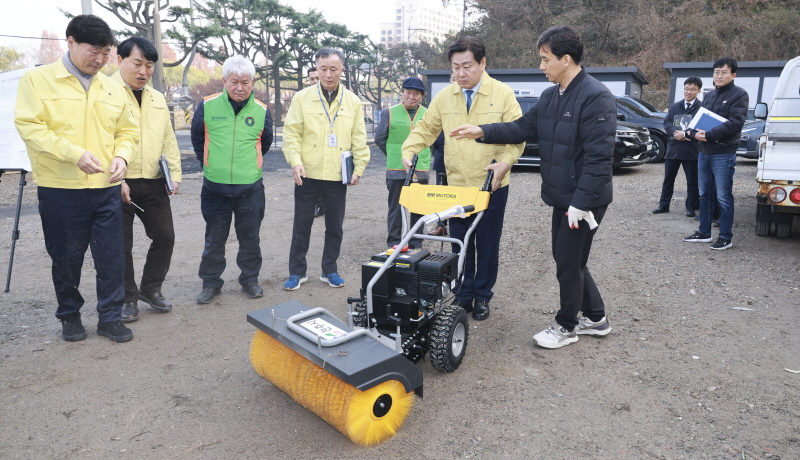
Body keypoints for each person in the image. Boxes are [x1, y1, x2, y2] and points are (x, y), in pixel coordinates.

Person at [451, 26, 615, 347]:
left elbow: (600, 158)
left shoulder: (596, 96)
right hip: (562, 196)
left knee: (568, 263)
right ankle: (596, 317)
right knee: (568, 259)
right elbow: (522, 128)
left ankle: (566, 326)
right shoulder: (551, 96)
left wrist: (581, 203)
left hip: (584, 200)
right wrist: (482, 130)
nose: (541, 66)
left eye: (545, 59)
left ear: (565, 59)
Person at [14, 15, 139, 342]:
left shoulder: (112, 87)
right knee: (66, 259)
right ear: (71, 42)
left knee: (111, 258)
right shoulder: (38, 80)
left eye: (106, 54)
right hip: (61, 190)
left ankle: (110, 318)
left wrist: (123, 156)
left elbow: (128, 131)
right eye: (93, 52)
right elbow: (31, 128)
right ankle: (69, 315)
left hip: (106, 189)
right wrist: (73, 154)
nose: (100, 60)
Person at [401, 36, 524, 321]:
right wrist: (409, 151)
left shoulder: (503, 94)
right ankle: (463, 292)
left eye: (467, 66)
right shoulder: (445, 96)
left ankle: (482, 295)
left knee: (488, 243)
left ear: (482, 63)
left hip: (491, 185)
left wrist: (505, 163)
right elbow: (426, 130)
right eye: (455, 68)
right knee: (460, 242)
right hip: (456, 187)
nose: (460, 74)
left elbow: (517, 135)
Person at [282, 47, 370, 290]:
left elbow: (359, 138)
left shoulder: (352, 101)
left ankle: (329, 269)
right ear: (316, 70)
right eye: (323, 69)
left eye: (333, 69)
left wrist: (359, 168)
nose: (328, 74)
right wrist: (295, 162)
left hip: (337, 174)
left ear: (342, 70)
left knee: (335, 226)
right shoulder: (302, 98)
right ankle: (297, 272)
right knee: (301, 224)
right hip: (307, 173)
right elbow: (291, 134)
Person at [191, 55, 273, 304]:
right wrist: (209, 163)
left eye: (245, 83)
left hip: (251, 189)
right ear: (224, 81)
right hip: (215, 189)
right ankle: (210, 282)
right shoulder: (207, 106)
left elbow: (265, 143)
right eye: (234, 82)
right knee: (214, 239)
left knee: (250, 238)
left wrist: (247, 166)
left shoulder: (261, 110)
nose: (239, 88)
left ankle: (250, 280)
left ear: (252, 83)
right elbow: (197, 139)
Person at [111, 37, 181, 322]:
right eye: (137, 63)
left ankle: (151, 289)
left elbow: (168, 139)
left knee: (165, 236)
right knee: (121, 245)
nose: (143, 71)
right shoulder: (105, 92)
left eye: (149, 66)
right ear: (120, 60)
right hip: (119, 181)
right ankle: (127, 298)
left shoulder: (157, 98)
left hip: (153, 180)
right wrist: (115, 179)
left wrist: (174, 174)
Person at [683, 57, 748, 250]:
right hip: (704, 152)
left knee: (723, 197)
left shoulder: (739, 95)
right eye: (716, 72)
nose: (719, 76)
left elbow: (735, 123)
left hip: (723, 152)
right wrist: (692, 133)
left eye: (723, 72)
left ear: (733, 75)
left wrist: (709, 135)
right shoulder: (710, 95)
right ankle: (704, 232)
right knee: (704, 194)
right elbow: (699, 119)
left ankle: (726, 237)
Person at [375, 77, 431, 248]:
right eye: (408, 92)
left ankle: (415, 241)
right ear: (402, 93)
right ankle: (394, 241)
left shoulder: (428, 114)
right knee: (396, 207)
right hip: (396, 168)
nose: (411, 97)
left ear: (422, 96)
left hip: (420, 168)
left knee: (418, 207)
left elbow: (434, 139)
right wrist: (393, 154)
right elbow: (379, 139)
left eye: (416, 94)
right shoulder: (389, 112)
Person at [652, 77, 702, 217]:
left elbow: (700, 126)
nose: (689, 92)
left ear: (698, 91)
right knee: (668, 179)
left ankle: (691, 207)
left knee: (692, 181)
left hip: (691, 149)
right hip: (674, 148)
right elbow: (667, 122)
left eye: (692, 89)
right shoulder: (675, 106)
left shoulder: (701, 108)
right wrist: (675, 132)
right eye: (686, 89)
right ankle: (663, 205)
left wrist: (685, 134)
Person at [428, 72, 458, 237]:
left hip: (463, 159)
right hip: (443, 157)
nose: (456, 80)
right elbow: (432, 128)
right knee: (442, 195)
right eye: (453, 78)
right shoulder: (442, 101)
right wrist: (439, 144)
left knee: (459, 194)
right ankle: (441, 225)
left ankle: (459, 225)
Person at [307, 68, 325, 219]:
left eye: (317, 78)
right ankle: (318, 205)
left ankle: (327, 206)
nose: (314, 81)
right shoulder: (304, 99)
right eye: (312, 79)